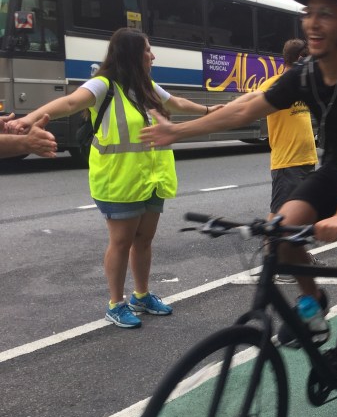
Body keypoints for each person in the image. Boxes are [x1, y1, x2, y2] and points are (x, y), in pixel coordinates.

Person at [140, 0, 337, 417]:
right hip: (333, 172)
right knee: (277, 231)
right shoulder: (305, 73)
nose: (313, 23)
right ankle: (314, 300)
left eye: (325, 14)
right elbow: (246, 109)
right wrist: (177, 132)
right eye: (308, 13)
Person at [6, 28, 221, 328]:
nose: (153, 56)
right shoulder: (102, 85)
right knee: (121, 242)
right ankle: (115, 303)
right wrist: (28, 119)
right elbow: (69, 103)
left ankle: (141, 296)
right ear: (133, 53)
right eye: (148, 50)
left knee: (144, 240)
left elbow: (177, 103)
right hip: (117, 180)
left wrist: (210, 110)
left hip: (151, 177)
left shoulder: (145, 86)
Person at [259, 39, 317, 218]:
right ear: (301, 58)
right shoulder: (272, 85)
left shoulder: (304, 84)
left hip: (308, 159)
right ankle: (271, 245)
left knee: (301, 216)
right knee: (278, 216)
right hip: (287, 163)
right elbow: (247, 106)